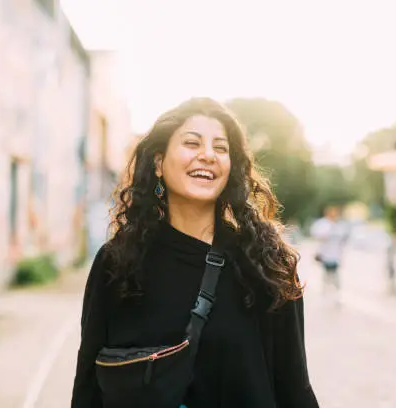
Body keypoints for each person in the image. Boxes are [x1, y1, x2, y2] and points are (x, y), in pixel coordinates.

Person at [71, 98, 319, 407]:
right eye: (192, 143)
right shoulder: (118, 263)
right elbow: (88, 387)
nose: (207, 156)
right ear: (159, 163)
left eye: (220, 148)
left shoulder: (266, 264)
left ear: (232, 168)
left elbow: (294, 387)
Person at [310, 206, 349, 302]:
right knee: (326, 274)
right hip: (325, 254)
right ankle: (325, 292)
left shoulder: (339, 224)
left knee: (335, 275)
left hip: (336, 255)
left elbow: (342, 239)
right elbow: (317, 235)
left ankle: (336, 293)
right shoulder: (322, 224)